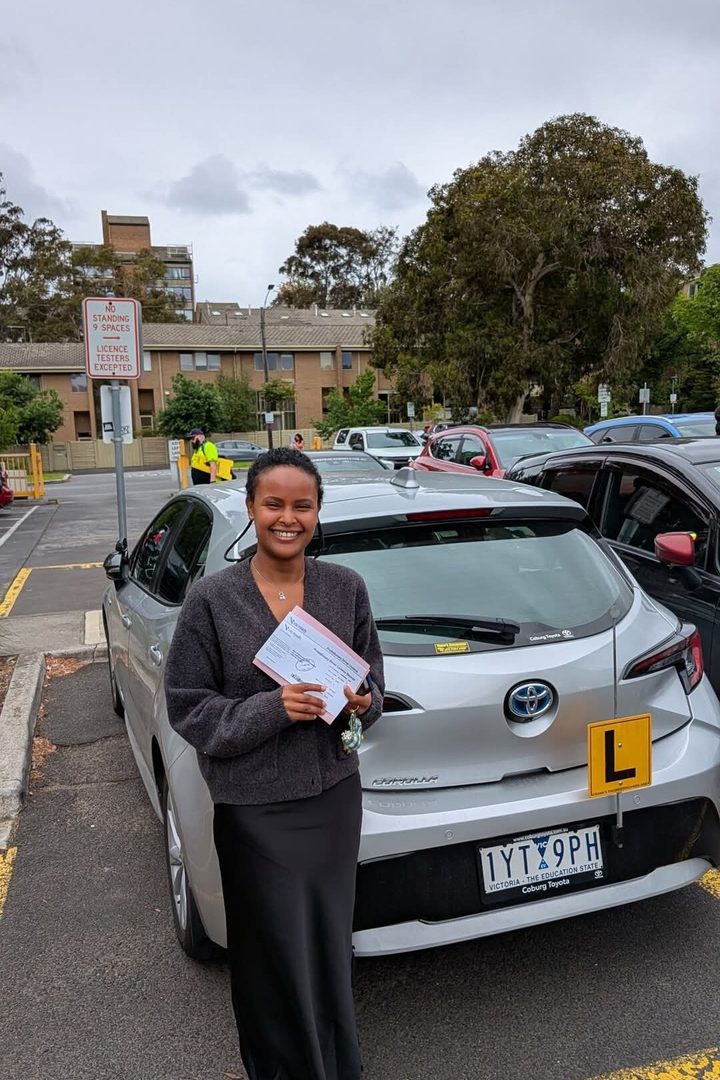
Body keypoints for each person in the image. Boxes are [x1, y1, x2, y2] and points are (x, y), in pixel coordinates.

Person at [164, 448, 384, 1080]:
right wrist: (271, 709)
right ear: (252, 508)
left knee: (326, 944)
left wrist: (364, 703)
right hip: (255, 809)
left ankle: (336, 1067)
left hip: (333, 797)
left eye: (302, 506)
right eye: (274, 505)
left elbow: (373, 684)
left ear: (318, 512)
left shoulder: (345, 588)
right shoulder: (213, 599)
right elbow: (189, 707)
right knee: (272, 954)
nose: (288, 518)